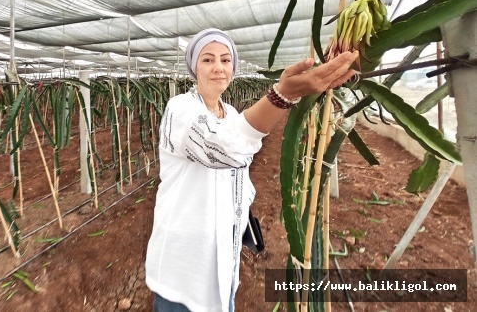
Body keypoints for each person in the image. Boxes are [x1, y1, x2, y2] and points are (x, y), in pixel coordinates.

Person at [145, 28, 358, 312]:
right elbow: (225, 149)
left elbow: (240, 170)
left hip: (225, 261)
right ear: (194, 67)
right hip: (183, 269)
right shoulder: (179, 109)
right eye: (207, 60)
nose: (218, 67)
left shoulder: (230, 113)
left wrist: (242, 210)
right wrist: (284, 94)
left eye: (225, 60)